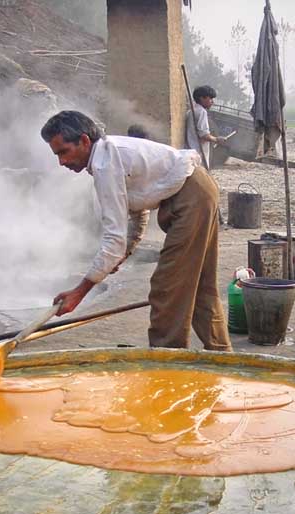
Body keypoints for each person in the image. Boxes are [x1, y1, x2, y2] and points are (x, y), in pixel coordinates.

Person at [41, 110, 231, 351]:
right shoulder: (109, 155)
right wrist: (125, 252)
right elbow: (137, 210)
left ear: (84, 141)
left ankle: (166, 360)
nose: (62, 162)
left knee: (167, 287)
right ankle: (220, 352)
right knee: (201, 286)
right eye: (57, 155)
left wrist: (79, 292)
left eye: (63, 152)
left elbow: (113, 237)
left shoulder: (105, 163)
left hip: (191, 199)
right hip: (198, 191)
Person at [185, 85, 226, 167]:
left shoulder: (191, 111)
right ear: (202, 98)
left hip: (189, 151)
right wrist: (217, 139)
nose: (212, 102)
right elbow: (204, 135)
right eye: (210, 98)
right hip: (198, 152)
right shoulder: (201, 112)